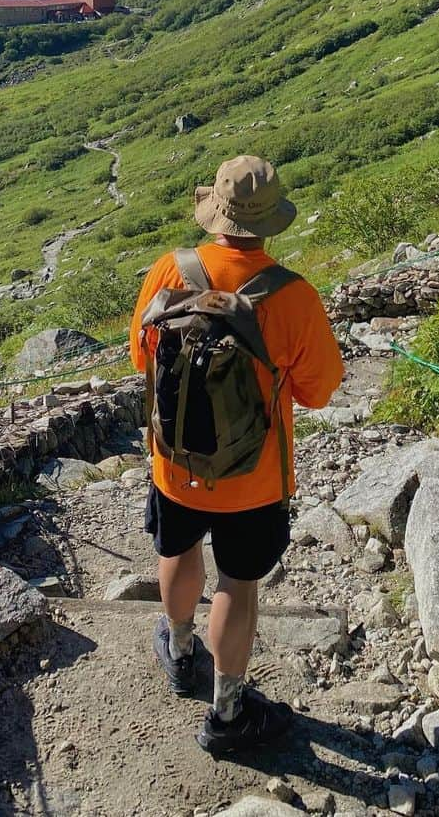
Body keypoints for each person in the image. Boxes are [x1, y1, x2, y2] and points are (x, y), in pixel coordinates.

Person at [130, 155, 345, 754]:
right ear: (271, 221)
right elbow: (320, 392)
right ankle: (227, 715)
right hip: (255, 478)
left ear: (215, 213)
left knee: (176, 549)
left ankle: (178, 650)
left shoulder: (168, 271)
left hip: (175, 463)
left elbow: (141, 359)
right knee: (237, 584)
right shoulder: (294, 296)